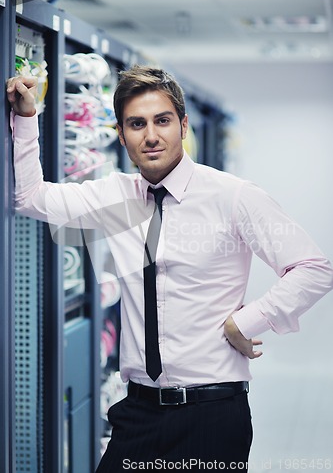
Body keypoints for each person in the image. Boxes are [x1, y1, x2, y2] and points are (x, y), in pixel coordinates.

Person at [7, 66, 333, 473]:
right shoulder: (115, 195)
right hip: (137, 412)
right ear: (121, 135)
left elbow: (314, 268)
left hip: (212, 412)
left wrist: (246, 322)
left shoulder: (233, 196)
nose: (151, 135)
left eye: (162, 121)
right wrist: (25, 117)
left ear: (182, 125)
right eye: (136, 124)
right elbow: (30, 198)